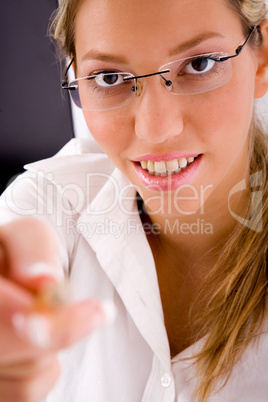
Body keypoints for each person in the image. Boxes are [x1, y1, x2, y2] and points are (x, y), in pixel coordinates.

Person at [0, 0, 268, 400]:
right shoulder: (49, 202)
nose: (156, 129)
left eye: (199, 64)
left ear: (262, 57)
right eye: (109, 77)